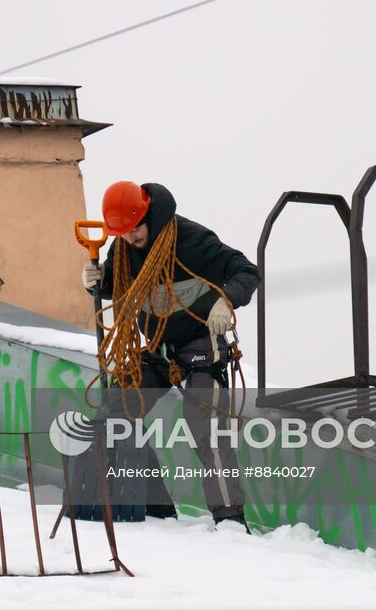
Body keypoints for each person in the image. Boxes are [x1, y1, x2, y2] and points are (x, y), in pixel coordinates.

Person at [82, 180, 259, 527]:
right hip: (157, 347)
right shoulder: (123, 247)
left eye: (135, 231)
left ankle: (231, 521)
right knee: (118, 406)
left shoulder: (193, 239)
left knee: (205, 425)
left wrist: (226, 300)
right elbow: (116, 285)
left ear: (149, 214)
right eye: (124, 234)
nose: (131, 239)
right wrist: (96, 280)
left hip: (199, 344)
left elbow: (246, 271)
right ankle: (156, 507)